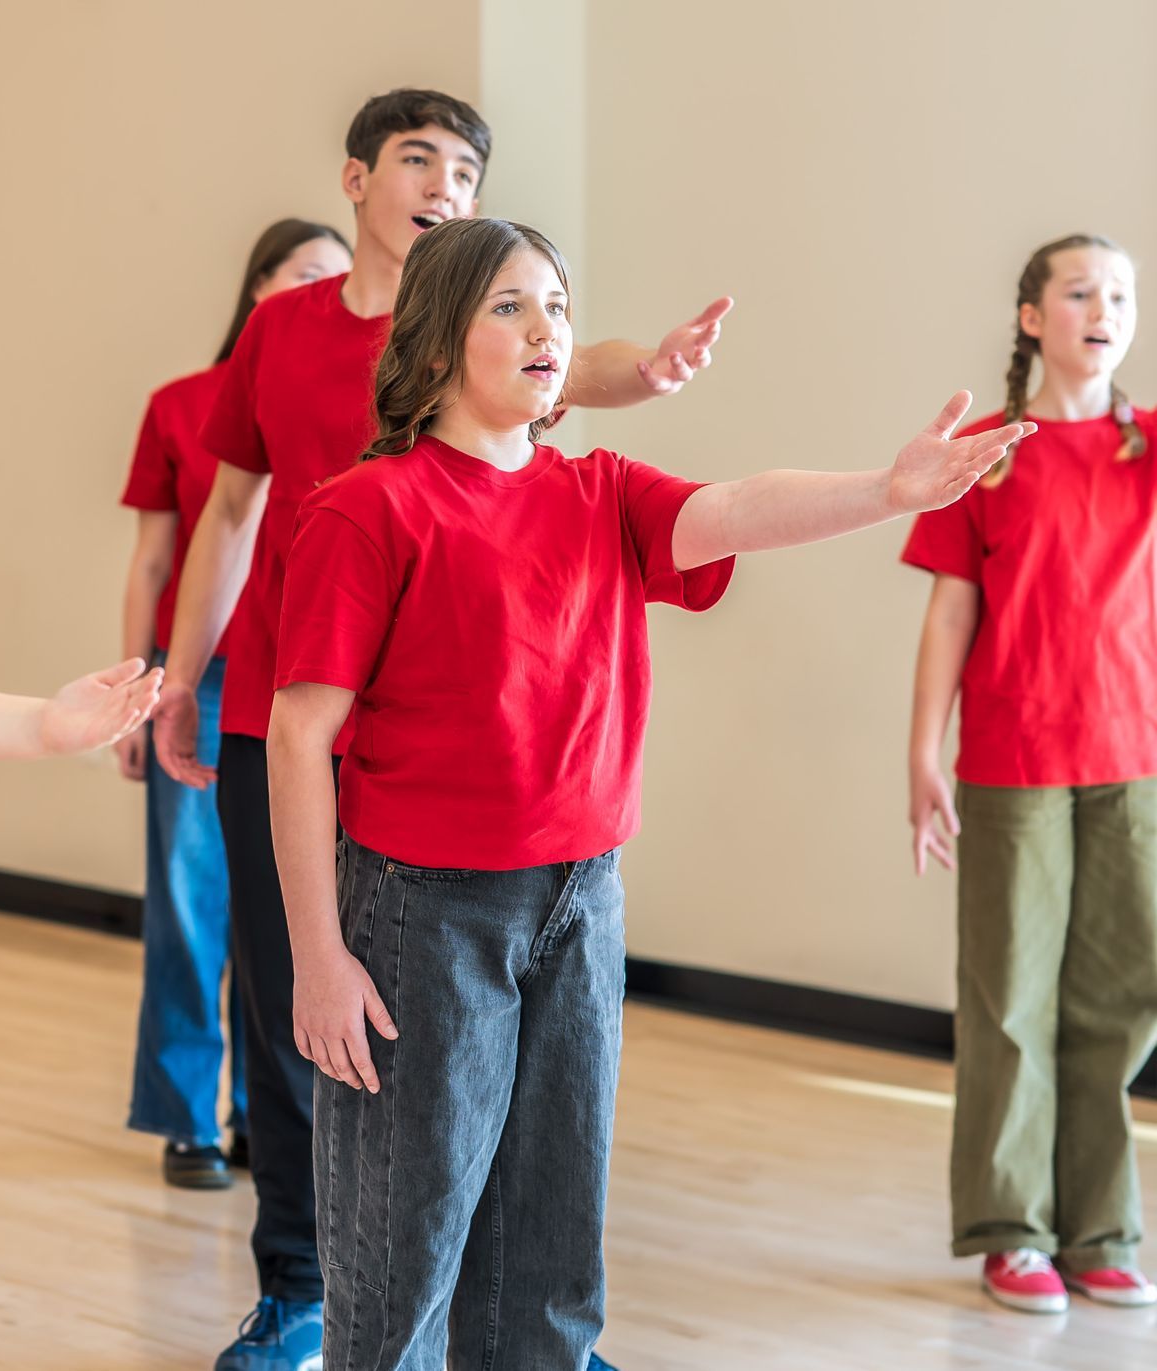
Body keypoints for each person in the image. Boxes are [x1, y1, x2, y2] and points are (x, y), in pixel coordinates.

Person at [271, 216, 1028, 1370]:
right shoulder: (369, 510)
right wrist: (320, 959)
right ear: (433, 349)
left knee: (550, 1247)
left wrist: (889, 488)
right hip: (423, 916)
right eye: (511, 307)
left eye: (560, 306)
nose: (547, 328)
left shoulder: (601, 490)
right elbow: (296, 737)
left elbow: (737, 508)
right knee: (405, 1251)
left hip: (581, 901)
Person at [153, 88, 731, 1371]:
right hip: (306, 723)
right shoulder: (297, 348)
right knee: (325, 1041)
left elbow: (578, 379)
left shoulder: (509, 350)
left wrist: (658, 365)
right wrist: (179, 678)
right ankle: (302, 1288)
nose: (447, 185)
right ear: (359, 178)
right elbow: (232, 511)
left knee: (504, 1136)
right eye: (423, 161)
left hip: (476, 776)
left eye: (468, 168)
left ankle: (511, 1333)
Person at [904, 233, 1157, 1314]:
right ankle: (1013, 1231)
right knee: (1009, 1003)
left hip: (1135, 761)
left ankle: (1101, 1228)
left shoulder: (1151, 448)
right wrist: (921, 751)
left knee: (1119, 1004)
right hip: (1013, 760)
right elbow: (950, 608)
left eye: (1121, 295)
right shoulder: (984, 452)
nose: (1103, 309)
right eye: (1080, 291)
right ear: (1031, 317)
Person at [119, 217, 350, 1189]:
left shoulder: (368, 388)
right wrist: (141, 683)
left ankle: (269, 1110)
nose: (328, 295)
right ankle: (186, 1116)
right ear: (259, 289)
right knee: (189, 896)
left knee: (285, 905)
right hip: (200, 673)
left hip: (303, 672)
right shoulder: (179, 406)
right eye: (306, 276)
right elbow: (158, 559)